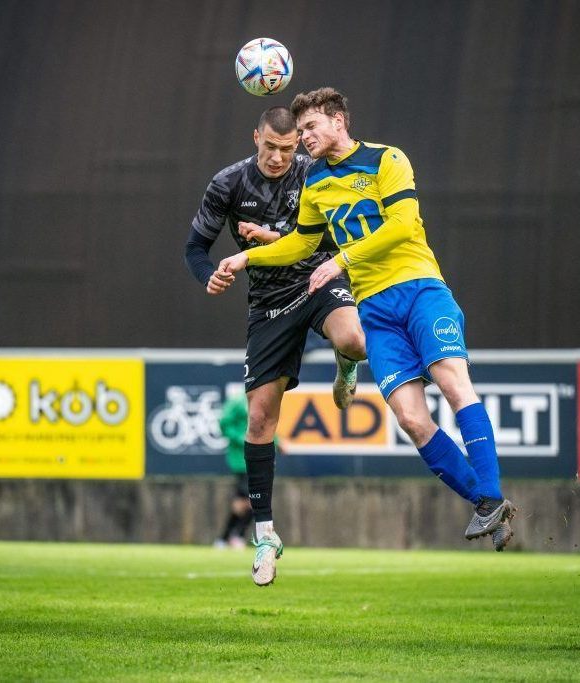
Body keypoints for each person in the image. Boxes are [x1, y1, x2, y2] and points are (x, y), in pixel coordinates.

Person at [218, 87, 516, 551]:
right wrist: (247, 258)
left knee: (454, 384)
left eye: (311, 127)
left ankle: (491, 495)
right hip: (374, 309)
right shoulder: (315, 182)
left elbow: (402, 224)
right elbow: (301, 242)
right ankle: (487, 503)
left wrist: (340, 261)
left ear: (338, 121)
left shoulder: (386, 159)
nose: (304, 137)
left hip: (419, 289)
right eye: (301, 130)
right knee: (412, 419)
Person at [184, 106, 366, 585]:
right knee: (261, 419)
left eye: (287, 148)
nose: (280, 157)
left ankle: (346, 362)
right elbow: (195, 248)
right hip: (268, 302)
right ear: (256, 139)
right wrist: (209, 275)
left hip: (318, 279)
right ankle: (265, 536)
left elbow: (334, 234)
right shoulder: (228, 183)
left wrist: (271, 238)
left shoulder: (313, 172)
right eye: (271, 147)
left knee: (355, 338)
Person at [214, 390, 252, 549]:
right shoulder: (238, 401)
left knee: (243, 501)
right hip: (241, 460)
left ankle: (226, 538)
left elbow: (265, 427)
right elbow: (224, 423)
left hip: (258, 459)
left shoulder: (262, 399)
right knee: (251, 499)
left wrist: (276, 442)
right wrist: (241, 438)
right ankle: (234, 536)